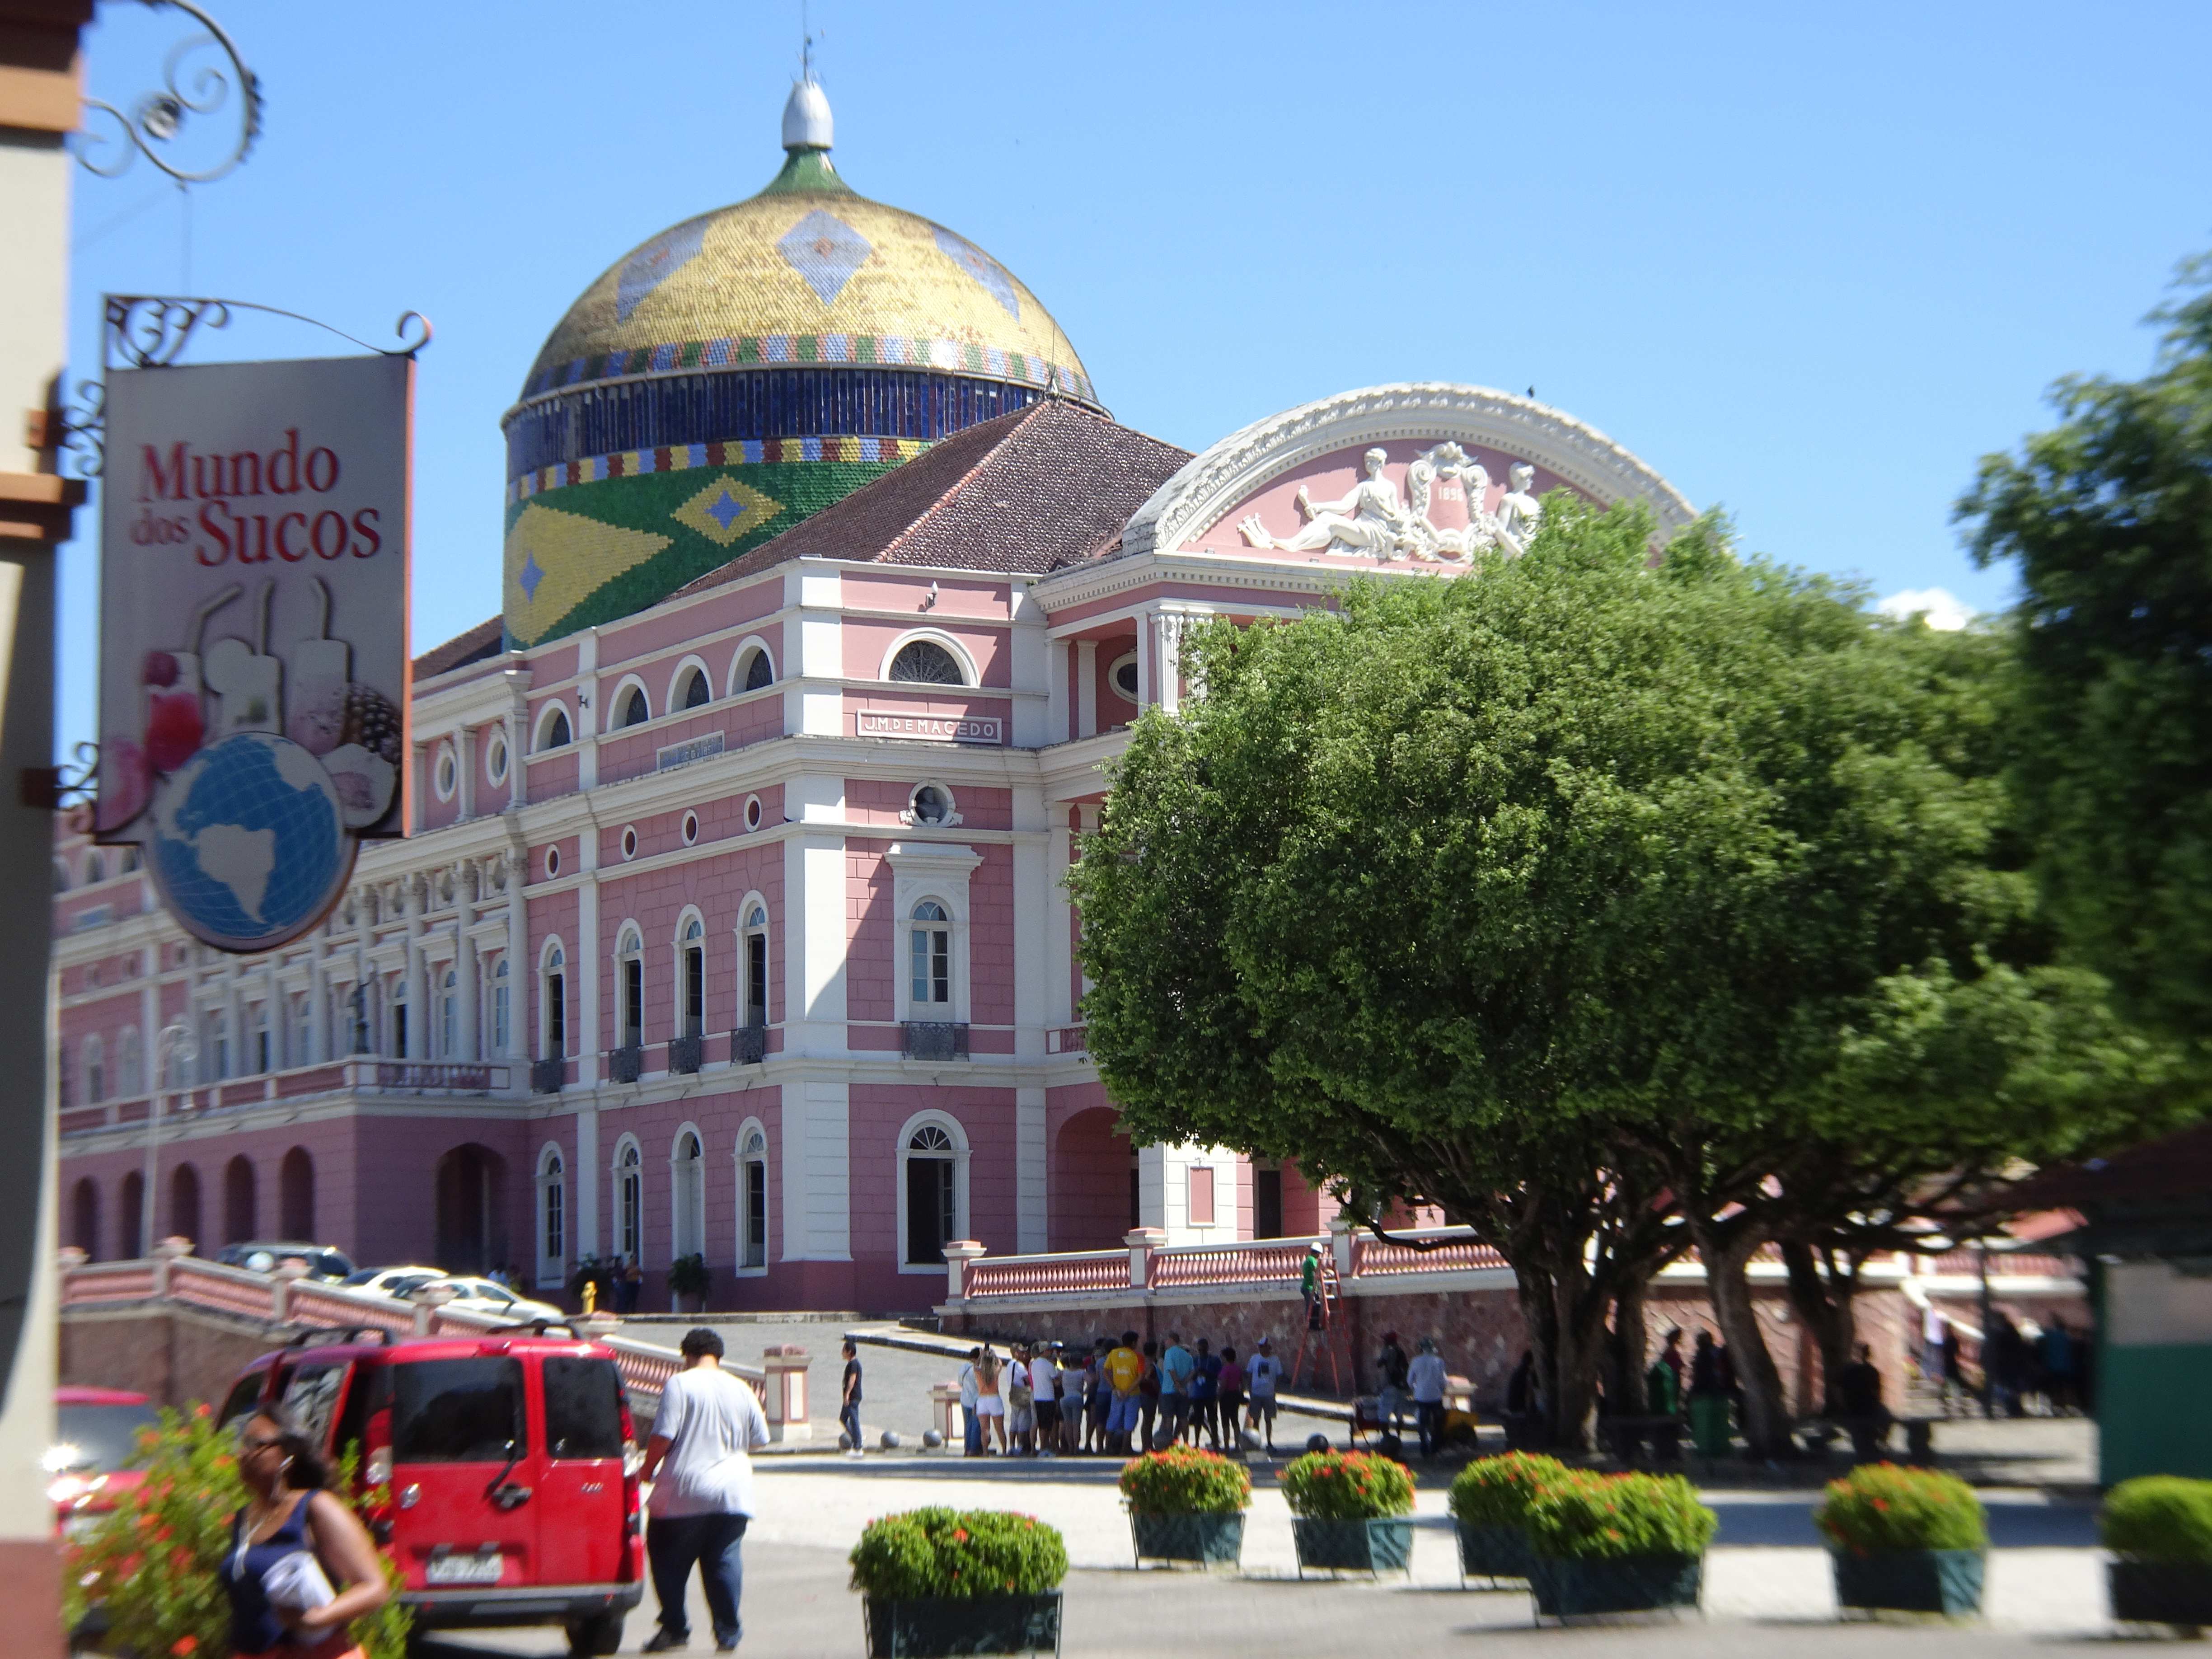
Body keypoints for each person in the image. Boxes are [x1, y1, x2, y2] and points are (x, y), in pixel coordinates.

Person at [638, 1327, 770, 1654]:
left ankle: (675, 1628)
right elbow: (761, 1438)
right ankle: (728, 1634)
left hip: (684, 1491)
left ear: (687, 1355)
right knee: (724, 1560)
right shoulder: (741, 1388)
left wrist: (647, 1468)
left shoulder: (680, 1384)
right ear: (718, 1356)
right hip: (733, 1494)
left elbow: (663, 1435)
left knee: (666, 1558)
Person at [222, 1410, 390, 1659]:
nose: (242, 1454)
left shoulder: (316, 1507)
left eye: (255, 1444)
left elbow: (375, 1587)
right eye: (242, 1445)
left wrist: (319, 1618)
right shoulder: (243, 1519)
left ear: (288, 1454)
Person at [1835, 1341, 1891, 1458]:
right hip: (1860, 1407)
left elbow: (1838, 1389)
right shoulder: (1864, 1371)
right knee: (1886, 1418)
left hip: (1861, 1407)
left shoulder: (1853, 1370)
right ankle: (1880, 1440)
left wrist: (1843, 1404)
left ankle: (1878, 1440)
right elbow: (1878, 1393)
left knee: (1886, 1418)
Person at [1687, 1331, 1735, 1457]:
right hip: (1715, 1392)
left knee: (1708, 1422)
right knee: (1716, 1421)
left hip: (1708, 1392)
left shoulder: (1707, 1354)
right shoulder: (1714, 1353)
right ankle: (1717, 1447)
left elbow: (1705, 1374)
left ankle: (1709, 1448)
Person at [1407, 1336, 1449, 1459]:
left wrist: (1416, 1389)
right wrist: (1441, 1390)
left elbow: (1410, 1380)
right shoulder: (1439, 1361)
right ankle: (1435, 1448)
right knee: (1438, 1423)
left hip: (1421, 1397)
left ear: (1421, 1349)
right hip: (1436, 1396)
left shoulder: (1415, 1361)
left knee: (1423, 1423)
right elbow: (1443, 1381)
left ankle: (1424, 1447)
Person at [1104, 1329, 1144, 1453]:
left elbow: (1106, 1371)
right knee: (1130, 1421)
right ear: (1133, 1343)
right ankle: (1125, 1449)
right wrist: (1128, 1391)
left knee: (1113, 1418)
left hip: (1117, 1393)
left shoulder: (1114, 1353)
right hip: (1133, 1393)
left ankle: (1107, 1449)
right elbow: (1141, 1377)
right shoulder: (1138, 1356)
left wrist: (1114, 1388)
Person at [1157, 1331, 1195, 1446]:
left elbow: (1171, 1370)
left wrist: (1178, 1386)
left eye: (1167, 1340)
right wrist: (1184, 1384)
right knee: (1183, 1418)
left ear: (1172, 1340)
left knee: (1169, 1418)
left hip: (1169, 1391)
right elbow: (1192, 1372)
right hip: (1184, 1392)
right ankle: (1186, 1443)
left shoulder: (1169, 1353)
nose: (1165, 1342)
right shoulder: (1187, 1355)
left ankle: (1168, 1444)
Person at [1246, 1336, 1283, 1452]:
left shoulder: (1275, 1360)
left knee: (1269, 1419)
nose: (1264, 1349)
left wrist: (1275, 1389)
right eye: (1262, 1347)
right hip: (1256, 1393)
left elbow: (1279, 1375)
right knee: (1256, 1419)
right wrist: (1250, 1390)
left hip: (1269, 1394)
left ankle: (1269, 1442)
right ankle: (1256, 1442)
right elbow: (1249, 1374)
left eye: (1266, 1347)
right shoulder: (1254, 1359)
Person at [1188, 1337, 1221, 1448]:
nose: (1201, 1350)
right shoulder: (1194, 1360)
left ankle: (1215, 1442)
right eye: (1199, 1348)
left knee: (1213, 1419)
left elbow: (1219, 1376)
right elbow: (1190, 1377)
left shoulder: (1214, 1360)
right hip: (1197, 1394)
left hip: (1211, 1393)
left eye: (1203, 1348)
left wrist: (1207, 1373)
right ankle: (1197, 1443)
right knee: (1198, 1420)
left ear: (1208, 1348)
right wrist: (1196, 1373)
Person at [1376, 1331, 1411, 1436]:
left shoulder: (1388, 1350)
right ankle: (1398, 1436)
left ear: (1389, 1341)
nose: (1384, 1342)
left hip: (1391, 1386)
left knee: (1384, 1413)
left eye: (1385, 1340)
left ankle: (1386, 1438)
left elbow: (1379, 1364)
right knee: (1399, 1414)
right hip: (1402, 1387)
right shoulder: (1401, 1351)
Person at [1031, 1341, 1061, 1455]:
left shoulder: (1034, 1364)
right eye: (1050, 1350)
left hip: (1038, 1397)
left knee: (1042, 1425)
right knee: (1048, 1426)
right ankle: (1045, 1448)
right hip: (1048, 1398)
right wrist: (1061, 1377)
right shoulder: (1049, 1365)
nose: (1052, 1352)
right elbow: (1056, 1382)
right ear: (1045, 1351)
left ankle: (1044, 1448)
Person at [975, 1345, 1006, 1452]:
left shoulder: (979, 1372)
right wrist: (993, 1355)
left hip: (982, 1400)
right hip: (994, 1399)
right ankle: (1004, 1451)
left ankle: (985, 1452)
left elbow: (976, 1365)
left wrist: (981, 1355)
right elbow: (1000, 1363)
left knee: (984, 1429)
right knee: (1000, 1429)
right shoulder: (995, 1372)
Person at [1084, 1338, 1113, 1453]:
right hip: (1108, 1392)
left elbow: (1096, 1379)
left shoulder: (1098, 1363)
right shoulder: (1112, 1361)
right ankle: (1106, 1446)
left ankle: (1099, 1446)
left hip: (1099, 1393)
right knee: (1106, 1420)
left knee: (1098, 1420)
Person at [1007, 1344, 1036, 1455]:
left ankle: (1012, 1447)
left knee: (1014, 1423)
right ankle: (1021, 1447)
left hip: (1013, 1395)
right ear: (1016, 1353)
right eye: (1022, 1353)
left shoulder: (1010, 1364)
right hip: (1022, 1396)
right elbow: (1028, 1380)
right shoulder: (1019, 1366)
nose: (1025, 1355)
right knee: (1022, 1424)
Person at [839, 1339, 865, 1458]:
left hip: (853, 1397)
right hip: (851, 1397)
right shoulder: (851, 1364)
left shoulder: (854, 1364)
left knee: (854, 1420)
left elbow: (852, 1379)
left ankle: (858, 1447)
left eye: (844, 1350)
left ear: (849, 1351)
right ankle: (857, 1438)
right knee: (843, 1419)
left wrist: (847, 1395)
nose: (842, 1353)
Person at [1136, 1339, 1162, 1453]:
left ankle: (1147, 1445)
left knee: (1147, 1421)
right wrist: (1154, 1383)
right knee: (1148, 1421)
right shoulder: (1150, 1365)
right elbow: (1146, 1378)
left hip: (1143, 1394)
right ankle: (1147, 1446)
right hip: (1149, 1394)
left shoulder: (1142, 1362)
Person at [1217, 1346, 1246, 1445]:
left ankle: (1227, 1446)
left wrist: (1217, 1399)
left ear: (1226, 1357)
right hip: (1236, 1395)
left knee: (1225, 1422)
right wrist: (1241, 1394)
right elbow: (1242, 1384)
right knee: (1235, 1420)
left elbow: (1223, 1385)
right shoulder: (1238, 1369)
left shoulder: (1225, 1369)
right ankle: (1237, 1445)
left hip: (1226, 1396)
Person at [1301, 1245, 1324, 1330]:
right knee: (1311, 1306)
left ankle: (1315, 1325)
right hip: (1309, 1288)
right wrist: (1326, 1273)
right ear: (1317, 1253)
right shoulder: (1311, 1259)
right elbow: (1316, 1270)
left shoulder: (1310, 1259)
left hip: (1312, 1288)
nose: (1319, 1256)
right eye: (1319, 1254)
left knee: (1316, 1306)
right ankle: (1310, 1325)